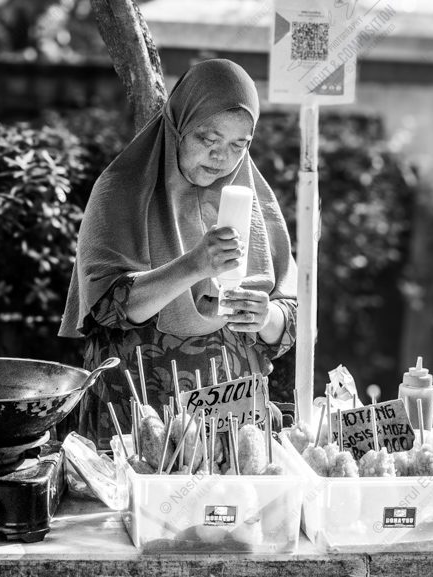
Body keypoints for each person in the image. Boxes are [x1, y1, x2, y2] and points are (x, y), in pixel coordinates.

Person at [58, 59, 298, 449]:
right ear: (178, 125)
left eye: (239, 145)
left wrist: (265, 316)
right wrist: (193, 265)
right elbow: (106, 307)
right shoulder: (123, 190)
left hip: (233, 427)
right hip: (137, 415)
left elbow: (293, 319)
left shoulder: (256, 203)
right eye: (208, 138)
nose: (222, 157)